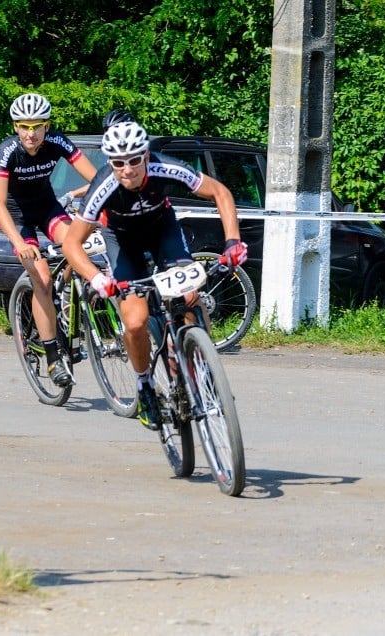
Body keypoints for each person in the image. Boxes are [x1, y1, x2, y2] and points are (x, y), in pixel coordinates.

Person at [62, 121, 248, 430]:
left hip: (163, 231)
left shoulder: (165, 167)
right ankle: (145, 386)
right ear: (110, 162)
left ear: (146, 156)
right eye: (119, 162)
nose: (127, 169)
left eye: (134, 160)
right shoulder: (103, 186)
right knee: (134, 322)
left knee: (189, 295)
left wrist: (232, 241)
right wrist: (97, 279)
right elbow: (71, 243)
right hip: (122, 242)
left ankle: (201, 361)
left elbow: (220, 192)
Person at [0, 93, 97, 387]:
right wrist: (20, 243)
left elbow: (96, 176)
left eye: (37, 126)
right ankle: (52, 358)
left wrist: (103, 210)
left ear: (47, 126)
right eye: (24, 126)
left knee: (77, 246)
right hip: (18, 217)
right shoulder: (8, 151)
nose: (30, 133)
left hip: (48, 207)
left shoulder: (57, 141)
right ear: (15, 127)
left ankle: (66, 298)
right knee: (43, 280)